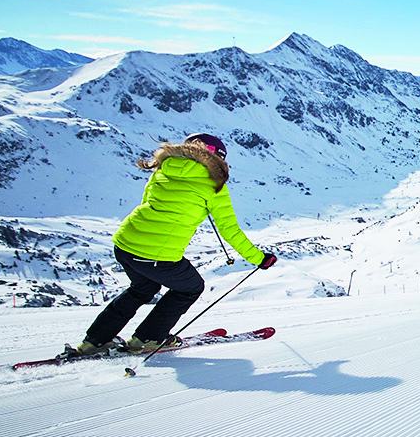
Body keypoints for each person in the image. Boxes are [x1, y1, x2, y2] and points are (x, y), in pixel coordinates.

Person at [70, 133, 276, 358]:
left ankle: (94, 341)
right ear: (218, 158)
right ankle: (148, 338)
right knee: (190, 288)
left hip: (125, 243)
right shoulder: (214, 186)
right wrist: (259, 258)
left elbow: (147, 202)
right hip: (157, 255)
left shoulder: (164, 168)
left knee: (142, 289)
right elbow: (230, 231)